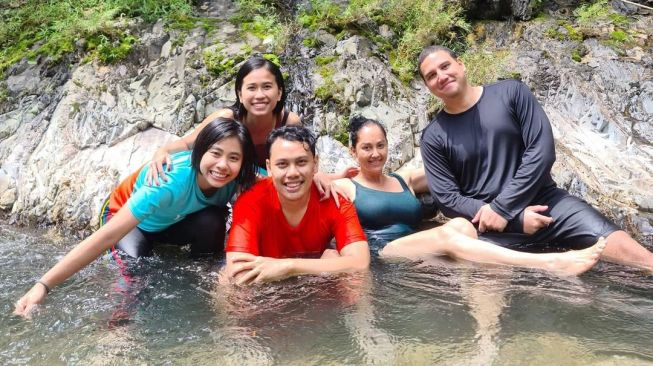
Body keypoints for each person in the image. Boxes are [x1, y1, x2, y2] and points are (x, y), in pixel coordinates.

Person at [417, 45, 653, 270]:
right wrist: (513, 219)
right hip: (489, 228)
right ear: (428, 86)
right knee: (487, 282)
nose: (441, 76)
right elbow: (448, 199)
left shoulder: (511, 93)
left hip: (549, 204)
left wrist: (504, 207)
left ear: (461, 65)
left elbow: (541, 151)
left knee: (629, 251)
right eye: (431, 75)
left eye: (445, 66)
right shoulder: (433, 137)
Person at [14, 118, 258, 316]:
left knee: (213, 219)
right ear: (199, 153)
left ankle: (199, 286)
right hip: (131, 222)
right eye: (215, 153)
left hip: (174, 220)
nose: (223, 165)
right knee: (136, 275)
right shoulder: (169, 181)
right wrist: (43, 286)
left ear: (243, 163)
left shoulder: (239, 177)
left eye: (233, 158)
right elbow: (105, 237)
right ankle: (117, 331)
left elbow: (284, 178)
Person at [333, 116, 606, 274]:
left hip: (417, 242)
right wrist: (332, 177)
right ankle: (550, 263)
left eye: (380, 145)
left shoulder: (404, 179)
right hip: (382, 251)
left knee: (463, 225)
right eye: (366, 147)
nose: (375, 153)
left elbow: (462, 171)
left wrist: (513, 196)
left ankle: (486, 335)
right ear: (352, 151)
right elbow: (304, 180)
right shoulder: (347, 187)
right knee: (448, 234)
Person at [147, 55, 354, 196]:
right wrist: (162, 150)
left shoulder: (289, 122)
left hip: (271, 189)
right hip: (225, 189)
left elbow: (301, 165)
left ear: (279, 92)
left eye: (267, 87)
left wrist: (333, 177)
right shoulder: (226, 118)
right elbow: (186, 144)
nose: (259, 95)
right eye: (251, 88)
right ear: (240, 94)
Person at [223, 125, 370, 285]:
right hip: (267, 288)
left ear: (315, 164)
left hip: (313, 284)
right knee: (224, 281)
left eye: (301, 162)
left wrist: (289, 266)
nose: (292, 173)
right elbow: (236, 272)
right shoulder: (251, 200)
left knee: (356, 282)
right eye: (282, 164)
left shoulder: (335, 199)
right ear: (269, 167)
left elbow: (360, 263)